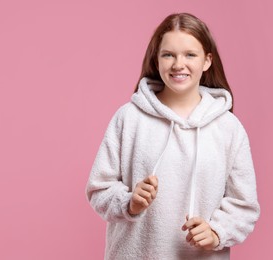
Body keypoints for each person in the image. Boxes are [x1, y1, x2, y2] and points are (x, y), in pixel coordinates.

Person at [86, 13, 260, 260]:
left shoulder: (229, 128)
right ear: (157, 60)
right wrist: (129, 202)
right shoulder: (129, 118)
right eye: (169, 54)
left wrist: (216, 232)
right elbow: (99, 189)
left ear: (207, 61)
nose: (179, 64)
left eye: (190, 54)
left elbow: (244, 205)